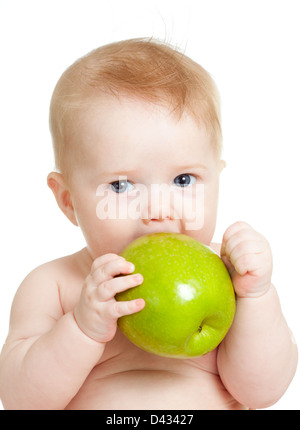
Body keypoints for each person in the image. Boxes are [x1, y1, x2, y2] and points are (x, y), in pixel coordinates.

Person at [0, 38, 297, 410]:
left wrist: (257, 297)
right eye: (121, 185)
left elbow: (264, 390)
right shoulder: (55, 287)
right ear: (68, 200)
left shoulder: (231, 277)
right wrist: (80, 329)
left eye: (184, 180)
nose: (159, 210)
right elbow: (20, 400)